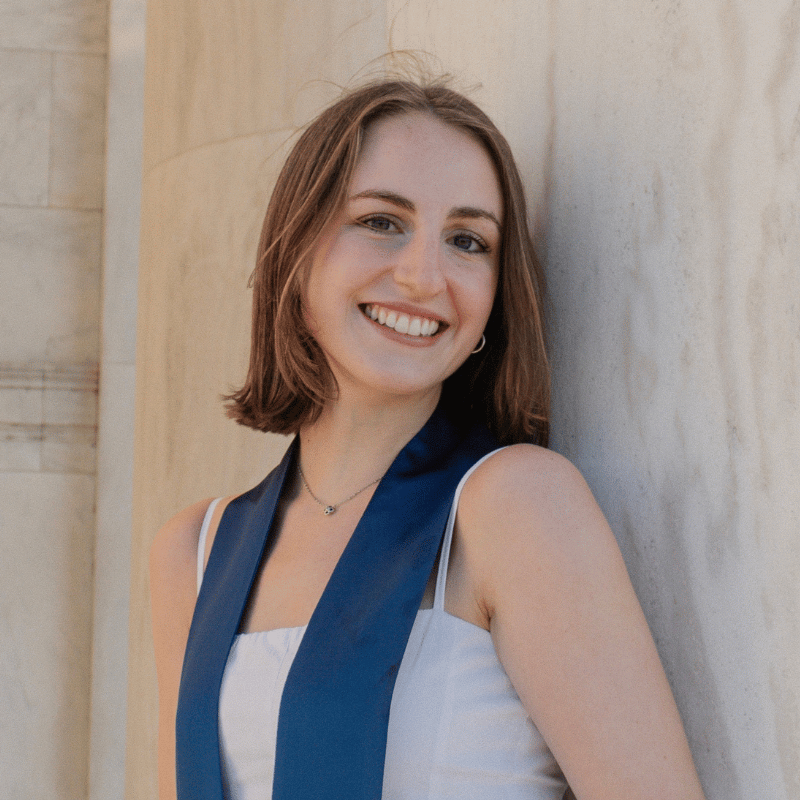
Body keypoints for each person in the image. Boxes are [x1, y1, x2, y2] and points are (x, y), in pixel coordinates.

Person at [150, 78, 707, 800]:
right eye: (381, 221)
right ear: (297, 252)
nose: (422, 276)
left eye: (467, 241)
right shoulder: (195, 554)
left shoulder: (513, 507)